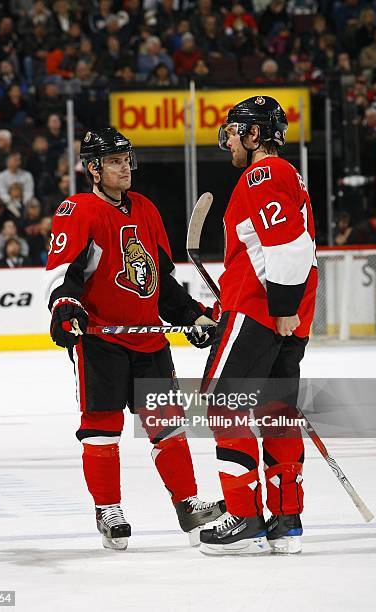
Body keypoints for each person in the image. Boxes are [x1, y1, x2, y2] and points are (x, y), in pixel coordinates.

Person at [46, 127, 224, 551]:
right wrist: (66, 308)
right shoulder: (77, 210)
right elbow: (63, 275)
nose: (124, 167)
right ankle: (109, 508)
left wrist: (192, 314)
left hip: (149, 342)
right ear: (93, 168)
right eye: (113, 160)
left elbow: (162, 280)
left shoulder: (145, 208)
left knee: (168, 427)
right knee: (102, 428)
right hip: (101, 341)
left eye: (126, 159)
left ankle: (188, 504)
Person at [198, 96, 318, 555]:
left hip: (262, 310)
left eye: (233, 132)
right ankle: (286, 520)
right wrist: (220, 306)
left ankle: (243, 518)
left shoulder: (263, 174)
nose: (227, 140)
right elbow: (265, 254)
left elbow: (288, 246)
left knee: (221, 406)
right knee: (276, 414)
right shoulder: (286, 176)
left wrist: (279, 306)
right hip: (276, 310)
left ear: (253, 135)